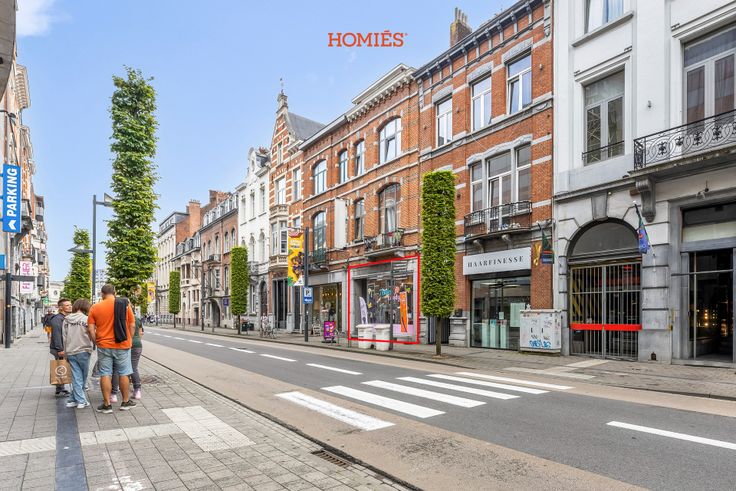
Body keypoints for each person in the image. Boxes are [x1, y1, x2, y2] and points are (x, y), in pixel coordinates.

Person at [87, 284, 137, 413]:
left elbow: (90, 329)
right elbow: (132, 325)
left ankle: (107, 404)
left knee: (105, 373)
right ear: (115, 292)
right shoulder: (125, 305)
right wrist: (129, 339)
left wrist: (96, 342)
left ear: (102, 294)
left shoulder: (95, 307)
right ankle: (125, 402)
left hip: (104, 345)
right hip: (122, 345)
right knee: (124, 373)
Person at [62, 299, 94, 409]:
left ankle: (72, 399)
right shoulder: (87, 319)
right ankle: (81, 401)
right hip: (84, 350)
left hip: (70, 351)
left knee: (76, 376)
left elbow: (64, 337)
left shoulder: (66, 320)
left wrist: (65, 352)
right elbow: (92, 334)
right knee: (82, 377)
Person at [111, 303, 144, 401]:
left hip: (123, 345)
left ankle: (113, 393)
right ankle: (137, 391)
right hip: (137, 345)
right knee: (133, 367)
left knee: (117, 368)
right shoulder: (137, 319)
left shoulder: (119, 318)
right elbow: (140, 333)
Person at [49, 299, 72, 397]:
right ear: (61, 307)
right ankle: (59, 389)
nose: (70, 307)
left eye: (70, 305)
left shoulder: (64, 318)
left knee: (62, 366)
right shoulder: (57, 319)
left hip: (63, 347)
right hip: (59, 348)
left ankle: (60, 388)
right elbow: (57, 335)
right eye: (67, 305)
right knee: (60, 366)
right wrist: (60, 349)